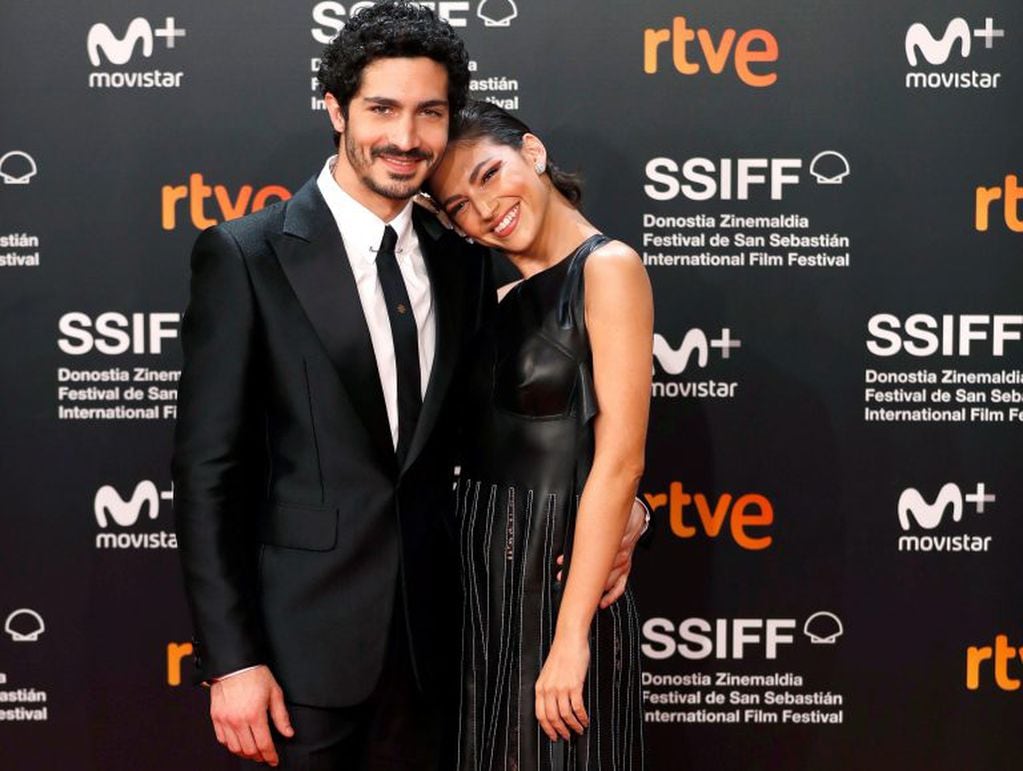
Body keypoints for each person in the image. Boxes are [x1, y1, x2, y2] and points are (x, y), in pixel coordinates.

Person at [171, 2, 646, 769]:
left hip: (448, 643)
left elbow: (507, 428)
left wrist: (631, 510)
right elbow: (206, 474)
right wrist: (230, 660)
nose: (404, 136)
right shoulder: (247, 255)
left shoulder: (462, 257)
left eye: (428, 112)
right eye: (381, 108)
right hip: (303, 657)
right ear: (336, 109)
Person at [426, 101, 652, 770]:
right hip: (478, 579)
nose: (483, 208)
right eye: (457, 206)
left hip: (555, 580)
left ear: (533, 151)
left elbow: (618, 457)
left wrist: (570, 635)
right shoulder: (490, 302)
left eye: (490, 173)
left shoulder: (607, 267)